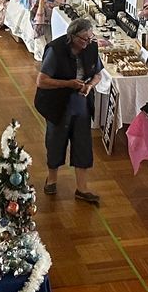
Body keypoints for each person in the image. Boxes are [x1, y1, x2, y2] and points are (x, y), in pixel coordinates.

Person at [34, 17, 103, 205]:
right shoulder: (56, 51)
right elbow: (42, 81)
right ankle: (52, 179)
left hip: (81, 103)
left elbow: (97, 74)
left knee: (82, 143)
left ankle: (82, 188)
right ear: (71, 36)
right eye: (83, 39)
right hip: (58, 103)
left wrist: (89, 86)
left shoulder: (91, 48)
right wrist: (68, 84)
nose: (87, 43)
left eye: (90, 39)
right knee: (56, 140)